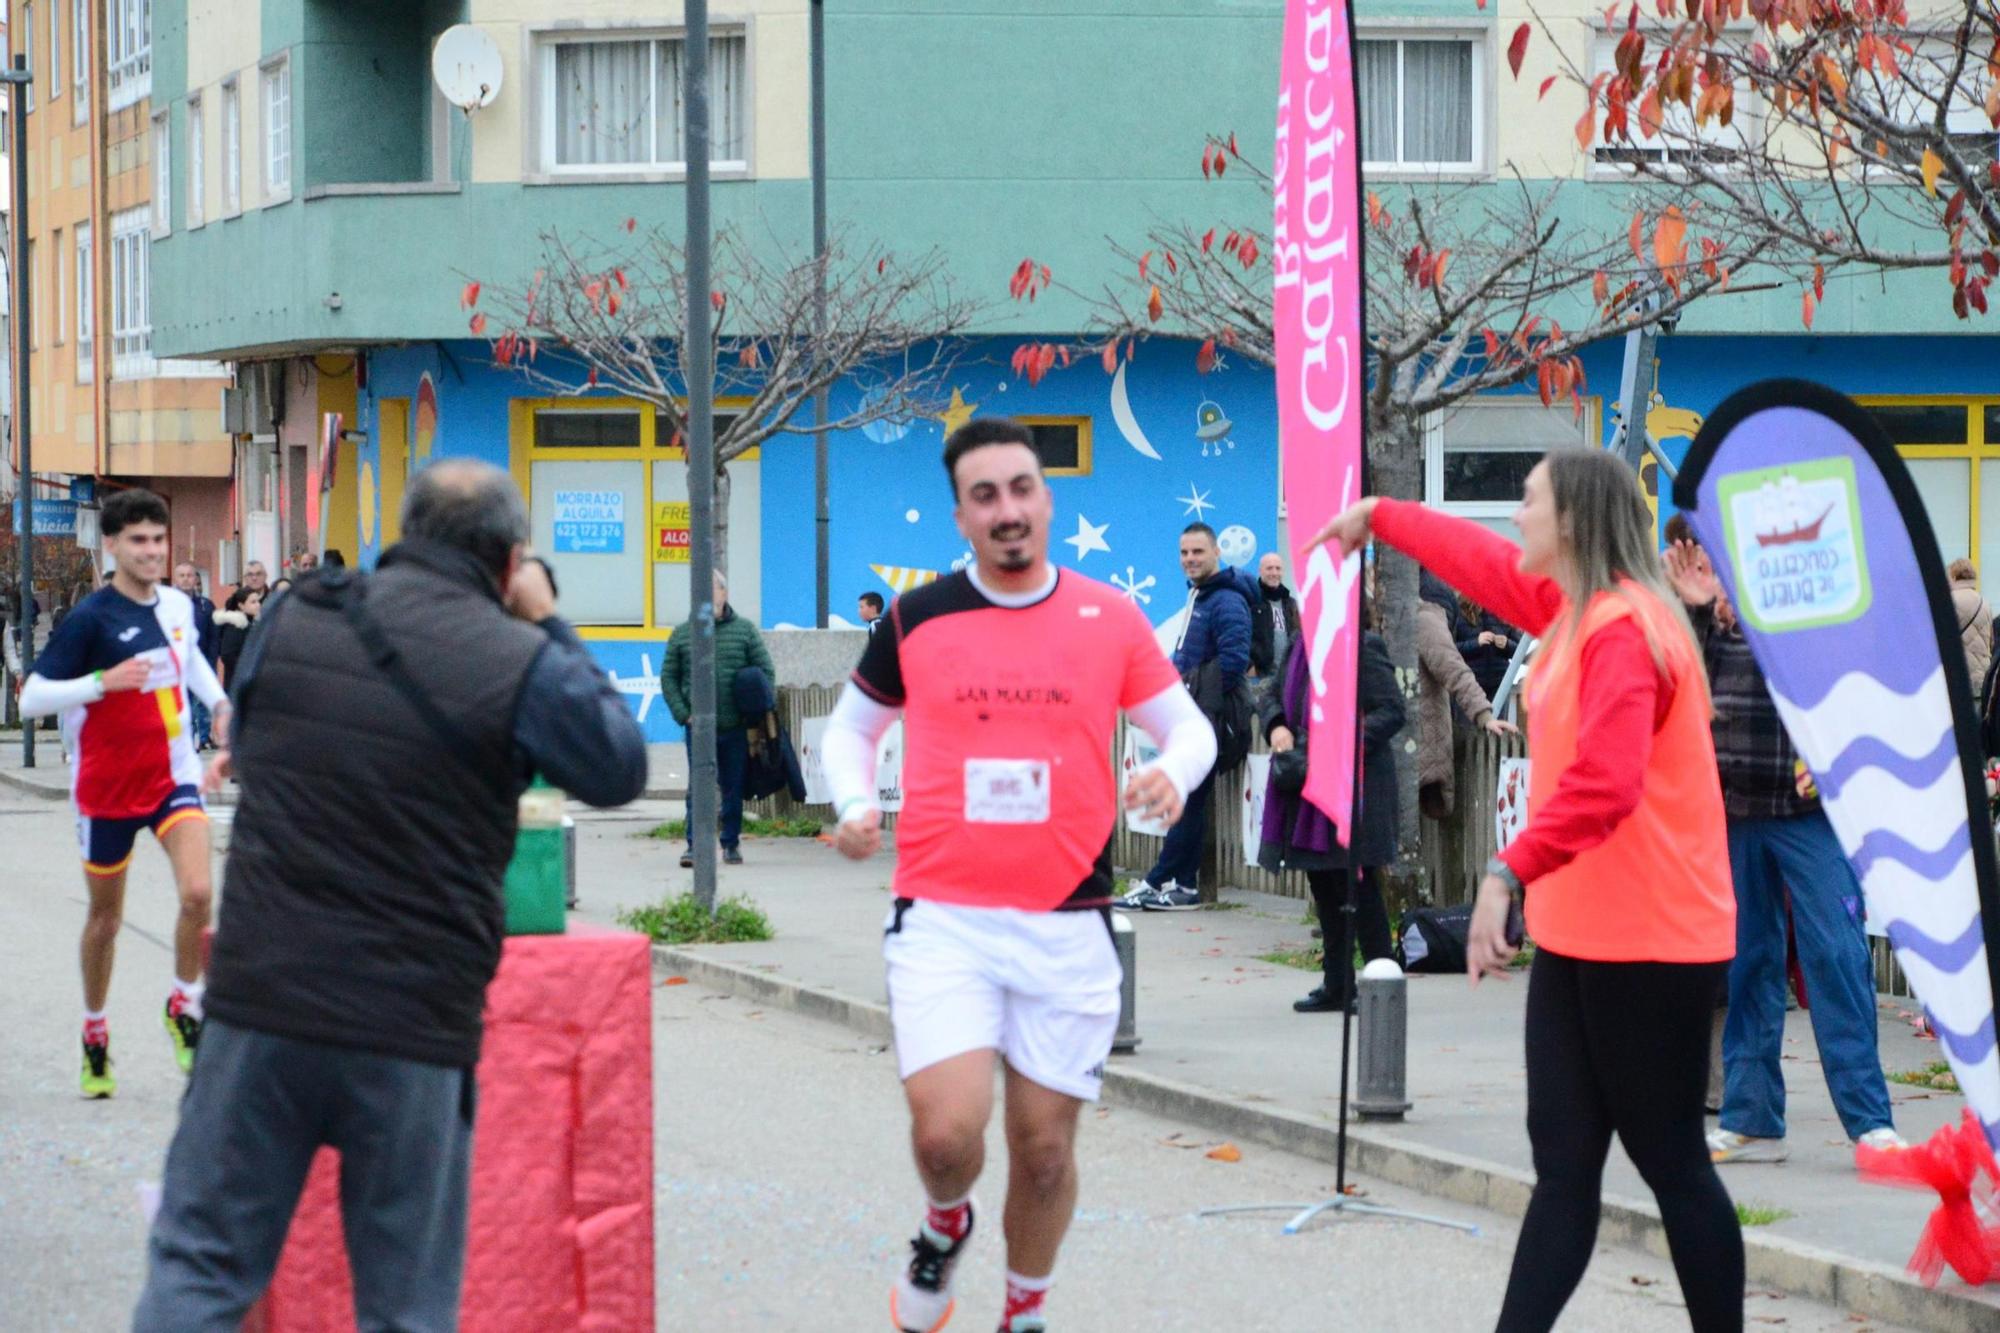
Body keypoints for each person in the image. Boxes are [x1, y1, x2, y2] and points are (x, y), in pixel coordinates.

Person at [133, 459, 647, 1330]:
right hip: (410, 1022)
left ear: (406, 535)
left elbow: (247, 740)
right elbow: (617, 766)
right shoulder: (516, 659)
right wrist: (548, 619)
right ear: (508, 558)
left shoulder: (300, 611)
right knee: (405, 1306)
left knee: (202, 1268)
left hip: (264, 1004)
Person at [1313, 450, 1743, 1332]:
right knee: (1564, 1163)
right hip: (1583, 931)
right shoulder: (1576, 608)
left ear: (1577, 522)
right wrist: (1381, 515)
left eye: (1529, 499)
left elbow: (1608, 781)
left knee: (1670, 1161)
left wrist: (1508, 871)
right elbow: (1480, 560)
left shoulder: (1627, 629)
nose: (1516, 514)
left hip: (1655, 937)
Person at [823, 418, 1215, 1333]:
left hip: (1068, 921)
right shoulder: (918, 618)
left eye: (1023, 488)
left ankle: (1023, 1313)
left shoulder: (1107, 616)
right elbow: (852, 728)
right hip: (944, 916)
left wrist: (1174, 772)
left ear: (1047, 499)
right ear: (962, 515)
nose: (1009, 509)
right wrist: (851, 803)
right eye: (986, 495)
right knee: (946, 1135)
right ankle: (944, 1219)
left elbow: (1188, 728)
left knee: (1042, 1153)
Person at [1662, 521, 1904, 1165]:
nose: (1710, 576)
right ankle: (1752, 1116)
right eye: (1700, 562)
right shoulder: (1706, 625)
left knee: (1836, 956)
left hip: (1809, 814)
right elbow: (1686, 696)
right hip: (1735, 812)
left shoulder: (1804, 615)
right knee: (1749, 963)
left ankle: (1870, 1121)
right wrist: (1694, 613)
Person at [18, 489, 230, 1098]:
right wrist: (100, 682)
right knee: (105, 921)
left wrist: (220, 704)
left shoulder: (179, 607)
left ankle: (183, 1005)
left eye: (159, 540)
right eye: (138, 541)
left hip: (171, 776)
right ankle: (94, 1030)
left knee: (197, 892)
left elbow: (188, 664)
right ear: (111, 545)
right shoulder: (90, 618)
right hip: (105, 789)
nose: (152, 551)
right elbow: (31, 698)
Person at [1259, 584, 1403, 1012]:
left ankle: (1384, 983)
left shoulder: (1364, 647)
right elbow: (1270, 693)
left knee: (1360, 890)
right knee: (1325, 889)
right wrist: (1277, 726)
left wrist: (1340, 744)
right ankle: (1338, 986)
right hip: (1309, 789)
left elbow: (1392, 710)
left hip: (1355, 791)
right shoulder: (1300, 647)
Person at [1118, 522, 1252, 911]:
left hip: (1211, 718)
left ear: (1216, 554)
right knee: (1188, 800)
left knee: (1187, 799)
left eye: (1197, 552)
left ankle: (1162, 881)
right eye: (1184, 553)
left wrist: (1191, 700)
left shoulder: (1225, 601)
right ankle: (1183, 885)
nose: (1190, 559)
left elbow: (1233, 662)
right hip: (1196, 715)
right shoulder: (1202, 596)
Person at [661, 569, 777, 869]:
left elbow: (765, 671)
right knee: (698, 787)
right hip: (697, 728)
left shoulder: (745, 631)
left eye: (712, 589)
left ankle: (731, 843)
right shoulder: (683, 633)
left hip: (735, 726)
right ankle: (694, 846)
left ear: (724, 593)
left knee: (732, 787)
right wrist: (683, 714)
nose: (707, 594)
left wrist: (754, 710)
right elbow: (668, 677)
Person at [1418, 571, 1514, 820]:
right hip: (1470, 689)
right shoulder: (1438, 618)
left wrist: (1505, 645)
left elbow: (1454, 666)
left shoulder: (1499, 613)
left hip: (1493, 683)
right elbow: (1454, 660)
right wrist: (1476, 643)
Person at [174, 562, 222, 751]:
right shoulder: (166, 605)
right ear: (176, 579)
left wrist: (212, 662)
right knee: (181, 704)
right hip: (176, 664)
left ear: (196, 579)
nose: (186, 579)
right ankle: (185, 739)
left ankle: (204, 738)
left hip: (201, 663)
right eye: (182, 575)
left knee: (201, 704)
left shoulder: (205, 605)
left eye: (190, 575)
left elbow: (213, 637)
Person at [1456, 595, 1520, 701]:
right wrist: (1475, 643)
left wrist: (1507, 644)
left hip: (1500, 684)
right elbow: (1450, 649)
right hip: (1469, 683)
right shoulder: (1460, 610)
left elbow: (1521, 651)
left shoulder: (1505, 610)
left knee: (1497, 717)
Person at [1249, 551, 1301, 678]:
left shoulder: (1291, 604)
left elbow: (1299, 637)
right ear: (1260, 571)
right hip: (1259, 677)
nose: (1274, 573)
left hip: (1286, 677)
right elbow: (1239, 636)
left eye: (1278, 568)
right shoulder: (1250, 601)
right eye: (1269, 568)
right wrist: (1248, 666)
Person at [1949, 558, 1993, 692]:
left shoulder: (1949, 601)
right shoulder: (1984, 603)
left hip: (1957, 676)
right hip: (1982, 677)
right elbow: (1991, 642)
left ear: (1954, 576)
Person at [214, 588, 263, 685]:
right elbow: (228, 655)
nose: (258, 605)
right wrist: (248, 670)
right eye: (253, 602)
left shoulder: (252, 624)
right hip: (238, 684)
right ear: (241, 606)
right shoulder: (236, 625)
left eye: (258, 601)